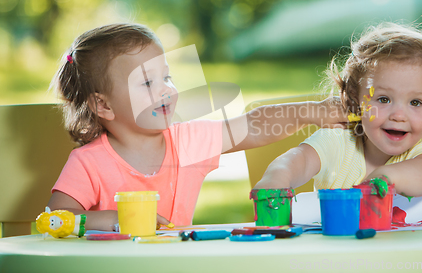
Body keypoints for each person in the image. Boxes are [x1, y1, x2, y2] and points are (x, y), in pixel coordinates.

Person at [47, 23, 345, 231]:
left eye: (166, 77)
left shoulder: (185, 143)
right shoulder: (88, 163)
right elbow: (53, 218)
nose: (166, 90)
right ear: (104, 106)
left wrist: (313, 112)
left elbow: (253, 126)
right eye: (148, 82)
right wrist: (112, 218)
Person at [254, 22, 422, 198]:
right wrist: (278, 177)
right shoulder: (338, 140)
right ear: (356, 100)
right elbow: (298, 160)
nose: (399, 115)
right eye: (383, 99)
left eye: (415, 103)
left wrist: (385, 177)